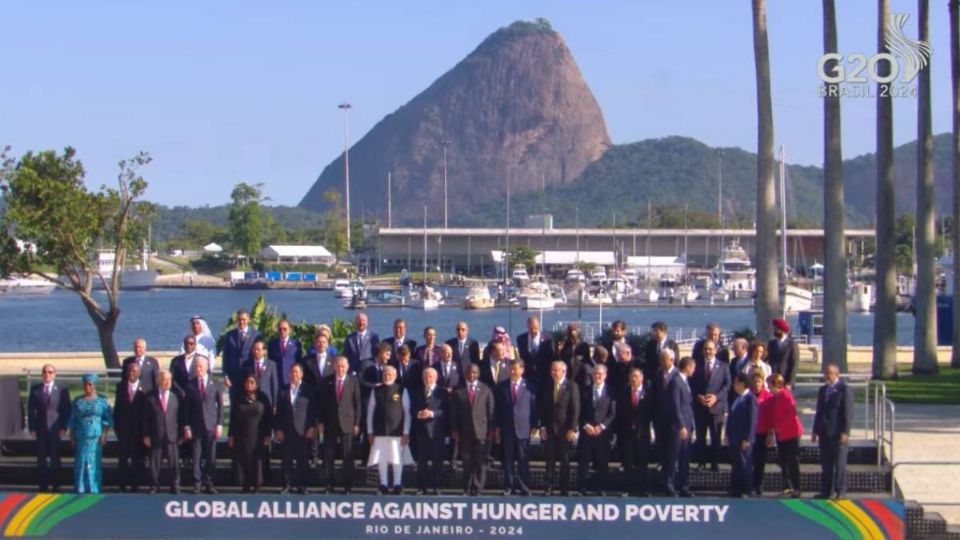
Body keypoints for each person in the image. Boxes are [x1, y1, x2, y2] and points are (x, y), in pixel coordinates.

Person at [366, 365, 412, 495]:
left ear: (395, 376)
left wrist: (406, 432)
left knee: (397, 459)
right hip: (379, 431)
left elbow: (407, 412)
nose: (387, 376)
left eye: (390, 374)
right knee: (382, 459)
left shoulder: (401, 390)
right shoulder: (376, 391)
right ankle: (383, 484)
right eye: (385, 373)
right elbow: (370, 412)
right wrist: (370, 431)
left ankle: (397, 484)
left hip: (396, 432)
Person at [451, 364, 494, 496]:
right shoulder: (458, 391)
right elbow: (453, 413)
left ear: (478, 374)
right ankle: (466, 488)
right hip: (464, 433)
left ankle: (478, 488)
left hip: (481, 432)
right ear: (465, 374)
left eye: (474, 373)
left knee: (480, 462)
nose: (471, 375)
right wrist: (454, 429)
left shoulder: (486, 389)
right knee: (466, 462)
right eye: (469, 372)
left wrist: (491, 430)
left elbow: (491, 411)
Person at [320, 356, 361, 494]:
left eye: (343, 366)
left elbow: (358, 404)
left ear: (348, 367)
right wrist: (321, 422)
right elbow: (322, 403)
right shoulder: (327, 381)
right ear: (334, 366)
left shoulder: (353, 381)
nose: (340, 368)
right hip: (330, 423)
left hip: (347, 423)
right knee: (328, 455)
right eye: (338, 366)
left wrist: (356, 423)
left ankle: (347, 486)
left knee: (347, 456)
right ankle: (328, 484)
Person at [495, 359, 536, 496]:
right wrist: (498, 427)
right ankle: (509, 486)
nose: (512, 371)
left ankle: (524, 486)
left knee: (523, 460)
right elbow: (498, 409)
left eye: (515, 369)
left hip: (523, 429)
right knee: (508, 460)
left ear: (522, 370)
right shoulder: (501, 387)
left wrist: (535, 425)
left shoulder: (530, 386)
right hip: (507, 429)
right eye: (510, 369)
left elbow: (534, 407)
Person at [538, 361, 580, 496]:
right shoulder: (546, 385)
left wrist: (572, 429)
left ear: (564, 371)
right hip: (549, 429)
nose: (554, 373)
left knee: (565, 460)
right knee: (549, 461)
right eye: (552, 370)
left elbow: (575, 409)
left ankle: (564, 488)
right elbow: (542, 408)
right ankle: (548, 487)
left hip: (565, 430)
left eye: (557, 370)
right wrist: (542, 427)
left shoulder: (571, 386)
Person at [28, 364, 71, 493]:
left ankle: (56, 485)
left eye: (50, 372)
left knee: (55, 458)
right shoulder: (36, 389)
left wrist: (64, 426)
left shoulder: (62, 389)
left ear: (54, 374)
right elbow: (31, 410)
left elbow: (66, 409)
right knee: (41, 459)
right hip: (40, 429)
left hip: (55, 429)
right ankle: (43, 486)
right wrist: (32, 428)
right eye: (45, 372)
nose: (47, 375)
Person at [812, 364, 853, 499]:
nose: (827, 376)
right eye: (826, 373)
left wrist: (845, 432)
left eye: (830, 373)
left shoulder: (844, 389)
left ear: (837, 374)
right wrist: (815, 430)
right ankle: (826, 491)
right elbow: (819, 412)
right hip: (824, 433)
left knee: (840, 464)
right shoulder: (823, 390)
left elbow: (848, 412)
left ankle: (840, 490)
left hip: (838, 433)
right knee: (826, 464)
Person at [67, 373, 113, 494]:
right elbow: (72, 420)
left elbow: (107, 420)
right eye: (86, 384)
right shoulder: (78, 401)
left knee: (94, 463)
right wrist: (71, 436)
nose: (88, 386)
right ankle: (80, 488)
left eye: (90, 384)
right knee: (81, 463)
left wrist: (104, 435)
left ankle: (94, 488)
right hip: (81, 436)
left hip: (96, 437)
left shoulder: (102, 401)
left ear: (94, 385)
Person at [184, 356, 223, 494]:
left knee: (210, 456)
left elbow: (220, 406)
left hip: (211, 425)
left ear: (207, 367)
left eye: (201, 366)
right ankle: (197, 483)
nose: (198, 369)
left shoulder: (215, 383)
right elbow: (186, 407)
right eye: (196, 367)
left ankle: (210, 482)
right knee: (196, 456)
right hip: (196, 426)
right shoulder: (190, 385)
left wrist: (220, 424)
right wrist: (187, 426)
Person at [276, 363, 316, 494]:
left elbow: (312, 411)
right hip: (287, 430)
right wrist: (279, 429)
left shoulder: (308, 390)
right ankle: (287, 485)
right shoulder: (283, 390)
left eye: (297, 372)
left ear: (302, 374)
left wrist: (311, 427)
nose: (294, 374)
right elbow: (279, 412)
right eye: (292, 372)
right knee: (286, 460)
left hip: (302, 430)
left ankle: (302, 486)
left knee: (302, 460)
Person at [577, 364, 616, 496]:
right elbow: (579, 411)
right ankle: (582, 488)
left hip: (602, 433)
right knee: (584, 461)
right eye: (595, 374)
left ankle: (601, 488)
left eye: (600, 374)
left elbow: (612, 413)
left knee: (602, 462)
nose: (597, 376)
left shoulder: (611, 392)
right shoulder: (584, 390)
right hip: (587, 432)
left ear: (605, 375)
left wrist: (602, 426)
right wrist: (586, 425)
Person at [692, 339, 731, 471]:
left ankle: (715, 463)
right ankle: (701, 462)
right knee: (700, 437)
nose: (708, 351)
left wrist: (716, 397)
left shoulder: (724, 366)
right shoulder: (696, 365)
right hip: (700, 407)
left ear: (715, 350)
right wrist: (698, 396)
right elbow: (691, 384)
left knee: (715, 436)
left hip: (716, 408)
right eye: (705, 349)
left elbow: (727, 385)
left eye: (710, 349)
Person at [229, 374, 271, 493]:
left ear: (257, 384)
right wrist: (231, 435)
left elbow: (268, 417)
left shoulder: (263, 398)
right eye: (248, 382)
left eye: (252, 382)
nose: (249, 385)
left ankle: (258, 484)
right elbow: (233, 418)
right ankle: (246, 485)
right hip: (242, 434)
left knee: (258, 460)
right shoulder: (239, 397)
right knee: (244, 459)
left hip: (259, 434)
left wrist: (268, 434)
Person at [144, 370, 184, 494]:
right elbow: (145, 418)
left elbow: (180, 417)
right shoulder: (150, 397)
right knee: (155, 464)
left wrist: (181, 434)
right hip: (156, 434)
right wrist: (146, 435)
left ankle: (175, 485)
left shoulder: (175, 397)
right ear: (159, 381)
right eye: (164, 380)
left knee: (174, 463)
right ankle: (155, 486)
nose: (167, 383)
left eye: (169, 380)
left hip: (172, 435)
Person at [410, 367, 449, 495]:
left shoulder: (442, 392)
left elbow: (446, 411)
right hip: (421, 432)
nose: (428, 379)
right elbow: (412, 408)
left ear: (436, 378)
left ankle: (437, 487)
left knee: (437, 461)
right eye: (426, 377)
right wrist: (419, 413)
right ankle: (422, 487)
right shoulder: (417, 391)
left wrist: (431, 413)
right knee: (422, 462)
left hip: (437, 432)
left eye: (430, 377)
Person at [617, 368, 653, 496]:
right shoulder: (624, 392)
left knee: (642, 462)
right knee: (628, 462)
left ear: (642, 378)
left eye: (636, 377)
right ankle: (629, 489)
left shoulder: (648, 393)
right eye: (632, 376)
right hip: (627, 434)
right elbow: (620, 413)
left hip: (642, 433)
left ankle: (643, 489)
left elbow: (652, 413)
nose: (634, 379)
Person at [664, 356, 696, 498]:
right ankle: (669, 485)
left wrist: (691, 426)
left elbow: (687, 405)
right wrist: (681, 425)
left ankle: (683, 485)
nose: (693, 371)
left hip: (688, 425)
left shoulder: (685, 382)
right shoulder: (676, 382)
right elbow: (676, 405)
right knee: (673, 457)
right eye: (693, 368)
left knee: (684, 457)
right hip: (678, 427)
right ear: (688, 367)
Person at [114, 362, 147, 492]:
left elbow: (146, 413)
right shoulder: (120, 387)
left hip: (138, 432)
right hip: (124, 430)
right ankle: (122, 485)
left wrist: (144, 432)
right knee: (122, 460)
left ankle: (135, 486)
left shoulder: (145, 388)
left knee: (136, 460)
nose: (131, 374)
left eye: (134, 371)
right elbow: (117, 409)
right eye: (129, 371)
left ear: (139, 373)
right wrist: (117, 429)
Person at [769, 373, 803, 498]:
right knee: (783, 461)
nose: (769, 388)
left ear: (775, 385)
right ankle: (787, 486)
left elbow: (792, 414)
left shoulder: (786, 396)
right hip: (781, 434)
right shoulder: (776, 397)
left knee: (792, 461)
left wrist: (780, 427)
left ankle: (796, 487)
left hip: (791, 433)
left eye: (770, 385)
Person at [726, 374, 757, 498]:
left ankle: (746, 489)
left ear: (743, 384)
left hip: (743, 438)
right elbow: (732, 417)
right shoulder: (738, 398)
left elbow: (752, 420)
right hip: (734, 437)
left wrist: (747, 438)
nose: (734, 385)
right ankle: (736, 488)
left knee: (745, 463)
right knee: (736, 463)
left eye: (736, 383)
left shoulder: (750, 398)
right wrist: (728, 433)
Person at [221, 309, 261, 401]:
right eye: (239, 319)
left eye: (244, 319)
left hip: (249, 377)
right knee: (234, 406)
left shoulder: (256, 335)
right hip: (233, 377)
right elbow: (225, 357)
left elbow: (259, 356)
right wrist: (226, 376)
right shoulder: (230, 335)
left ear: (248, 319)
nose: (241, 322)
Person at [653, 348, 679, 473]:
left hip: (673, 416)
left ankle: (673, 465)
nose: (661, 362)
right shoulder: (658, 373)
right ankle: (662, 462)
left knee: (672, 442)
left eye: (664, 360)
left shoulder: (678, 374)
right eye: (660, 360)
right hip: (659, 414)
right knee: (661, 441)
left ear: (672, 360)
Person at [750, 371, 774, 496]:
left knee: (760, 461)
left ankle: (759, 485)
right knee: (749, 460)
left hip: (762, 432)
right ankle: (749, 485)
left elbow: (771, 417)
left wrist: (770, 434)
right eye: (754, 381)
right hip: (750, 433)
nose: (756, 384)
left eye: (759, 381)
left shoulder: (768, 396)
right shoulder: (748, 395)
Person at [516, 317, 554, 388]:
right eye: (531, 328)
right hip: (528, 376)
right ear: (527, 327)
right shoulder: (521, 339)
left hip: (544, 376)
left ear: (539, 326)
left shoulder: (548, 338)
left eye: (535, 328)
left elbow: (551, 357)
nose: (533, 331)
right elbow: (522, 356)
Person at [269, 320, 303, 388]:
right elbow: (270, 361)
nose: (282, 331)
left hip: (291, 379)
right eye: (280, 329)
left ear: (290, 329)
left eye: (285, 329)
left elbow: (299, 362)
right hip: (277, 379)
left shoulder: (296, 344)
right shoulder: (272, 344)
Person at [768, 319, 799, 386]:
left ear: (782, 330)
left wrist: (790, 382)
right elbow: (768, 359)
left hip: (785, 379)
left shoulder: (792, 344)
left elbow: (794, 364)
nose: (774, 331)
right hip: (772, 379)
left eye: (776, 329)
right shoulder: (772, 343)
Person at [727, 338, 750, 407]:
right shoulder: (733, 362)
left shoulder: (750, 361)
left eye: (735, 348)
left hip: (746, 395)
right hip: (734, 396)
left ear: (744, 348)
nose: (733, 350)